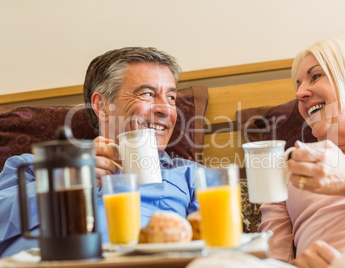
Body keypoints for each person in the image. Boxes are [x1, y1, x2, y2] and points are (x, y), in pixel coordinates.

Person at [0, 47, 201, 257]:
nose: (166, 110)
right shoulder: (33, 167)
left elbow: (215, 240)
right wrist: (65, 181)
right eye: (148, 94)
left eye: (171, 97)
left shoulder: (191, 176)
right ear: (102, 105)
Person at [258, 36, 345, 268]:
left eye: (315, 76)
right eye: (298, 85)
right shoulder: (289, 168)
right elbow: (274, 253)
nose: (299, 94)